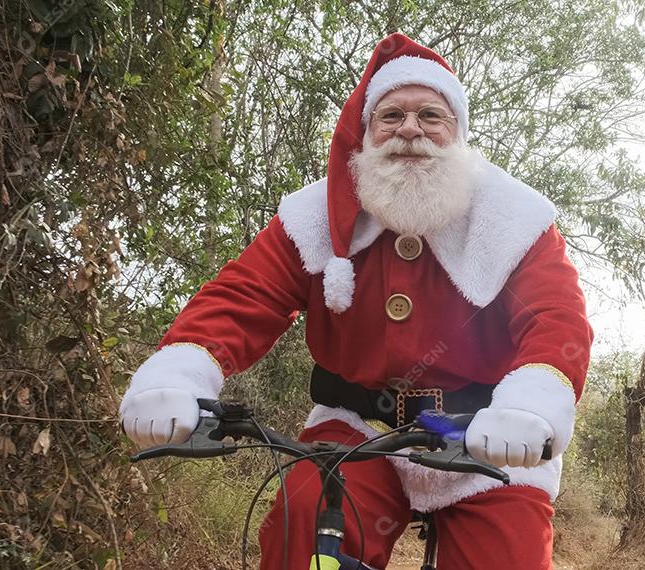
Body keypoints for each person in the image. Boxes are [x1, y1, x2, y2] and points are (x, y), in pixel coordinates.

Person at [118, 33, 593, 569]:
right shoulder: (314, 214)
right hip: (356, 428)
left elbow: (559, 321)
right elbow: (244, 293)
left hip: (482, 432)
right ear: (364, 135)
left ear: (459, 133)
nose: (410, 129)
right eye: (390, 116)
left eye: (431, 116)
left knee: (511, 555)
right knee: (304, 521)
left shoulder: (514, 219)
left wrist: (528, 407)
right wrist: (177, 375)